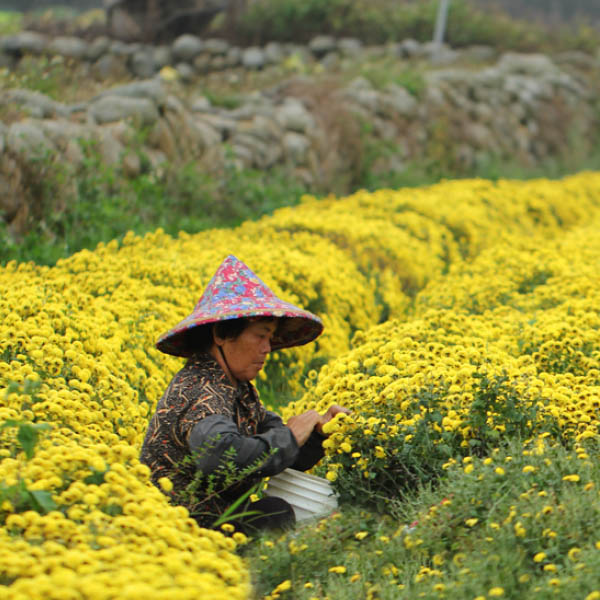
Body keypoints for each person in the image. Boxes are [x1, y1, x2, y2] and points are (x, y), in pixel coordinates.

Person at [140, 254, 348, 533]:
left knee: (275, 510)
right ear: (221, 335)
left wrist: (318, 433)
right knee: (274, 513)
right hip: (178, 530)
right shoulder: (200, 390)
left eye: (270, 338)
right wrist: (288, 436)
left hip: (214, 522)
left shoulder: (239, 392)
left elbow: (278, 456)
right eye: (260, 336)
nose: (267, 348)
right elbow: (221, 456)